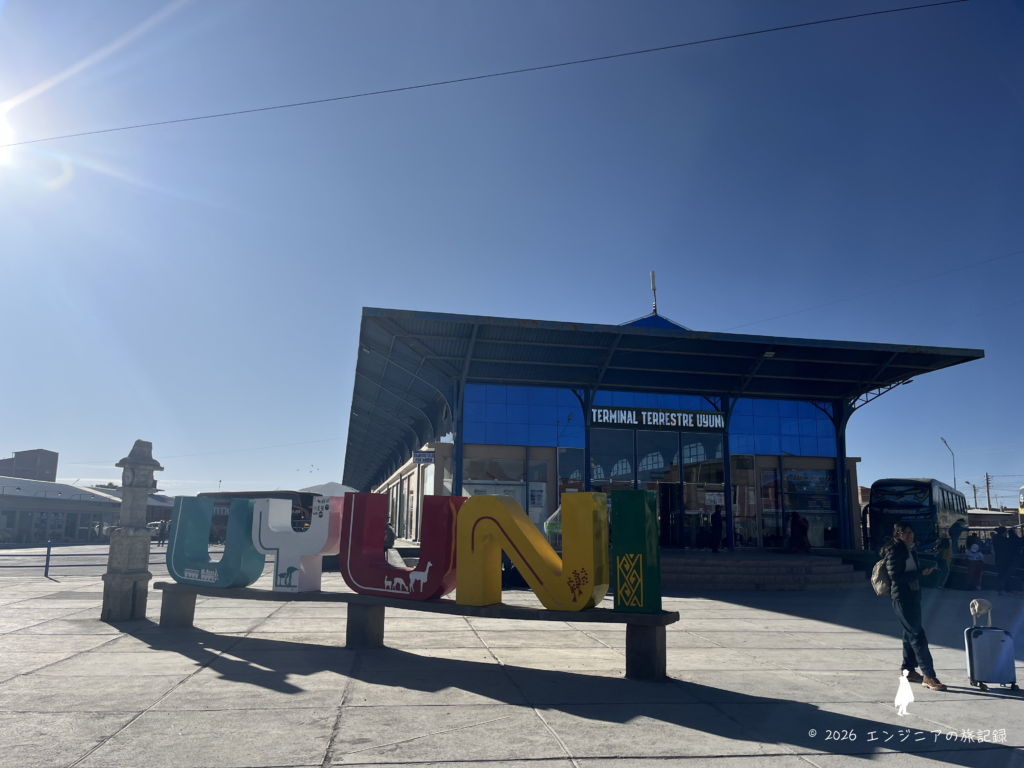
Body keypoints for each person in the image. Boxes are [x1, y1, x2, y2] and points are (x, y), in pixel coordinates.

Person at [882, 523, 946, 691]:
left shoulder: (910, 549)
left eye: (911, 532)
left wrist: (923, 573)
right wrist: (920, 573)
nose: (910, 535)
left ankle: (908, 671)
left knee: (909, 634)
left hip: (913, 595)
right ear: (897, 534)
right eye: (905, 533)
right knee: (917, 635)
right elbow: (895, 576)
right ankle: (928, 675)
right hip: (902, 598)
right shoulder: (895, 551)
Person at [992, 526, 1016, 595]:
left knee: (1003, 574)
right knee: (1004, 574)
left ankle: (1002, 589)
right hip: (1004, 559)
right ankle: (1004, 589)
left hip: (1000, 559)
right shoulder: (1002, 540)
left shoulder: (996, 539)